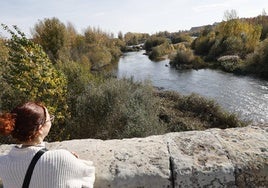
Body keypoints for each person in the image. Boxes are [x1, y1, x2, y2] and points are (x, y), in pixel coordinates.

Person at [0, 102, 95, 188]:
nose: (51, 121)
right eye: (50, 119)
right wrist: (72, 160)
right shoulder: (62, 157)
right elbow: (88, 174)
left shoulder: (3, 162)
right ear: (40, 128)